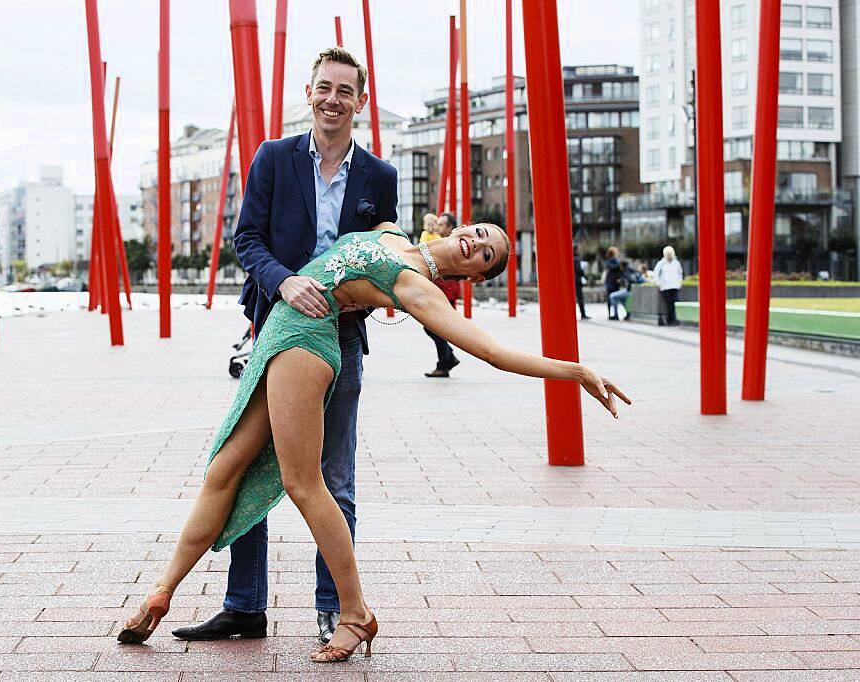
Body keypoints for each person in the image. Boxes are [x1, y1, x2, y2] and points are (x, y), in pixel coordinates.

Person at [117, 220, 631, 663]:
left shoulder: (419, 288)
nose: (477, 241)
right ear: (461, 227)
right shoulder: (393, 235)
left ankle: (355, 612)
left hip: (305, 345)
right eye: (480, 231)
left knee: (304, 484)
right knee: (223, 471)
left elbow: (493, 352)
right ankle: (161, 593)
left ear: (474, 276)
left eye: (488, 252)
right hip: (276, 336)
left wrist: (574, 370)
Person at [169, 47, 398, 648]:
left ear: (360, 101)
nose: (332, 99)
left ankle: (333, 607)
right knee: (246, 469)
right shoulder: (273, 159)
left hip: (341, 344)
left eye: (344, 91)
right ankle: (244, 606)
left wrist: (380, 297)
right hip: (273, 335)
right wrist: (284, 281)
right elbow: (248, 239)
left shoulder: (380, 176)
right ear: (309, 92)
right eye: (324, 87)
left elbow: (383, 254)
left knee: (335, 478)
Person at [423, 212, 462, 377]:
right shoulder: (439, 242)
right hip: (440, 288)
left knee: (435, 327)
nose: (437, 227)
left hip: (446, 291)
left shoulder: (453, 244)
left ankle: (444, 363)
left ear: (449, 227)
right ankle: (448, 358)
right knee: (432, 327)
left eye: (441, 224)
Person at [653, 245, 684, 326]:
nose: (670, 255)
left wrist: (680, 282)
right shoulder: (661, 263)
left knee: (676, 303)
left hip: (675, 286)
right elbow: (655, 274)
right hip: (665, 287)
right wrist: (658, 283)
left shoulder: (676, 263)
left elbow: (680, 273)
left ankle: (675, 320)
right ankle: (670, 320)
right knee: (669, 304)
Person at [603, 246, 623, 320]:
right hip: (611, 281)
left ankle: (615, 313)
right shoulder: (610, 261)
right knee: (610, 298)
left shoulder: (616, 260)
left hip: (615, 281)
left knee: (614, 298)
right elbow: (613, 267)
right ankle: (611, 314)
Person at [573, 244, 589, 320]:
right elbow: (579, 270)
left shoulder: (571, 258)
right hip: (577, 280)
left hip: (572, 280)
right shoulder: (577, 259)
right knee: (580, 298)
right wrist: (585, 276)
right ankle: (583, 314)